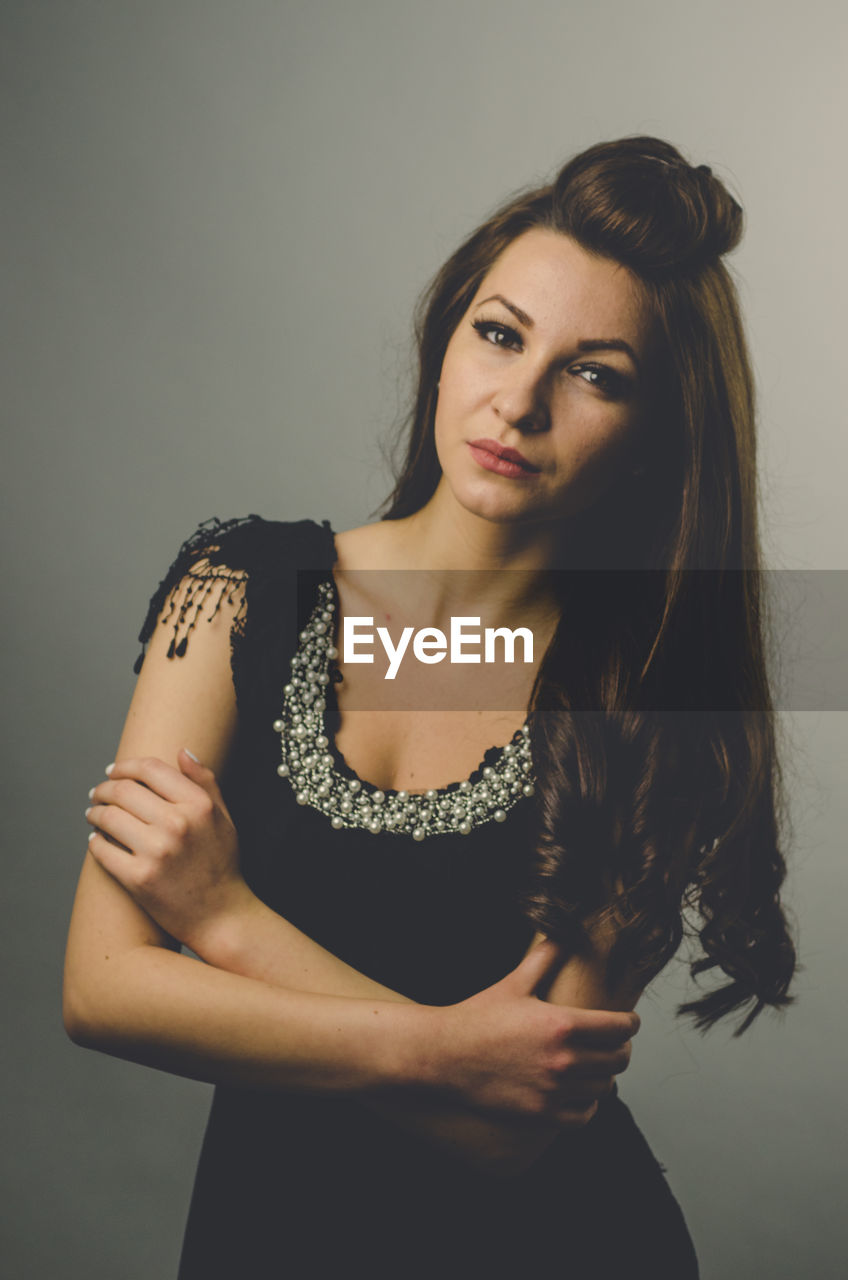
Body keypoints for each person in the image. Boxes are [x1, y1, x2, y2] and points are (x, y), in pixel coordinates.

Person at [63, 136, 796, 1278]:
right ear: (444, 337)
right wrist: (453, 1046)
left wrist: (221, 919)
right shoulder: (241, 591)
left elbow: (504, 1126)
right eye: (498, 334)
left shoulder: (648, 696)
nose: (518, 400)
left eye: (594, 373)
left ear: (659, 435)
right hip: (264, 1236)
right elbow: (101, 987)